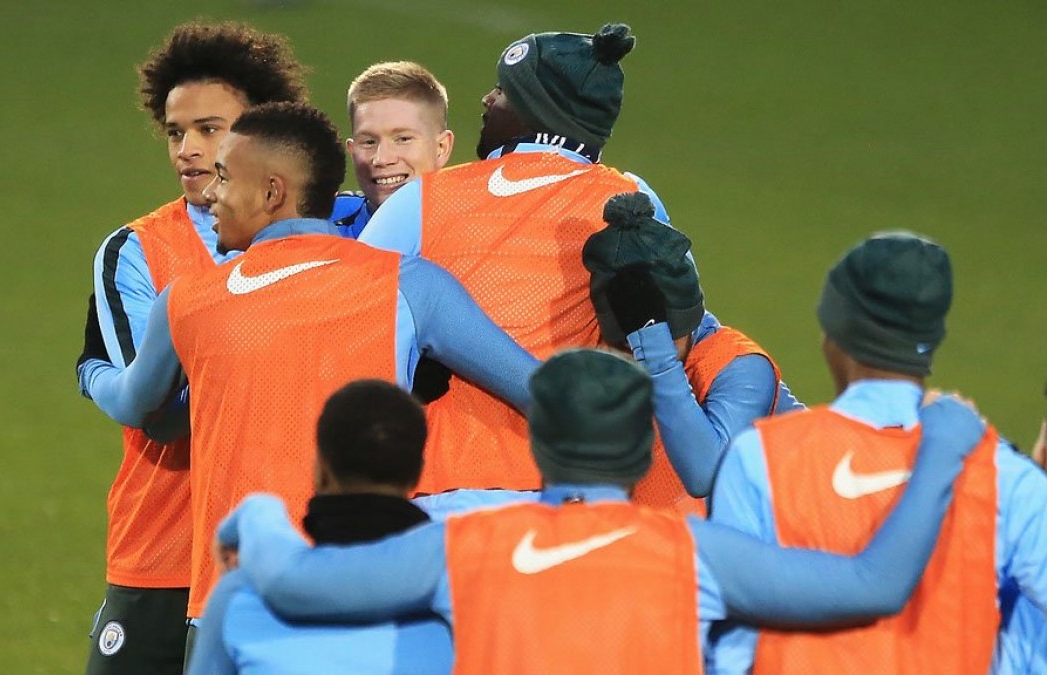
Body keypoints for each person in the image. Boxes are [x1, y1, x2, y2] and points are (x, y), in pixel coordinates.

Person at [220, 348, 987, 675]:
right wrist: (941, 451)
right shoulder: (698, 552)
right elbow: (875, 584)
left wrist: (252, 512)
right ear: (644, 449)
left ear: (540, 440)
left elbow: (291, 582)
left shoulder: (464, 543)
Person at [77, 102, 539, 624]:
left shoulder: (187, 301)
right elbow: (542, 391)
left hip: (238, 607)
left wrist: (93, 372)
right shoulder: (411, 286)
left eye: (225, 177)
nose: (210, 194)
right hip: (373, 599)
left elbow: (142, 410)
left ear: (272, 193)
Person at [357, 23, 678, 493]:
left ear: (538, 110)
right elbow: (673, 329)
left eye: (504, 91)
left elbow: (345, 322)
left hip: (434, 485)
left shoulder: (422, 198)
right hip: (567, 486)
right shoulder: (630, 199)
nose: (488, 99)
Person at [706, 232, 1047, 674]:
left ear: (833, 335)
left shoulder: (760, 458)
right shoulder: (1003, 475)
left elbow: (730, 652)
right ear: (932, 339)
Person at [79, 21, 306, 675]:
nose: (187, 150)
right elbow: (159, 414)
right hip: (165, 552)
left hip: (289, 549)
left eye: (209, 129)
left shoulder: (332, 234)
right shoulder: (137, 251)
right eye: (176, 132)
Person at [186, 379, 453, 674]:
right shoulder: (460, 590)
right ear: (417, 473)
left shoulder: (238, 598)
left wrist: (257, 512)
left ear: (319, 472)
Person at [584, 192, 802, 515]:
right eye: (624, 345)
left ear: (687, 322)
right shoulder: (601, 351)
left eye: (657, 339)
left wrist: (657, 356)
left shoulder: (741, 366)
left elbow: (704, 475)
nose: (635, 354)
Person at [328, 61, 454, 239]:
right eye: (369, 142)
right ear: (352, 150)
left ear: (441, 148)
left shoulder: (480, 232)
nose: (382, 159)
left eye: (403, 139)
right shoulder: (316, 223)